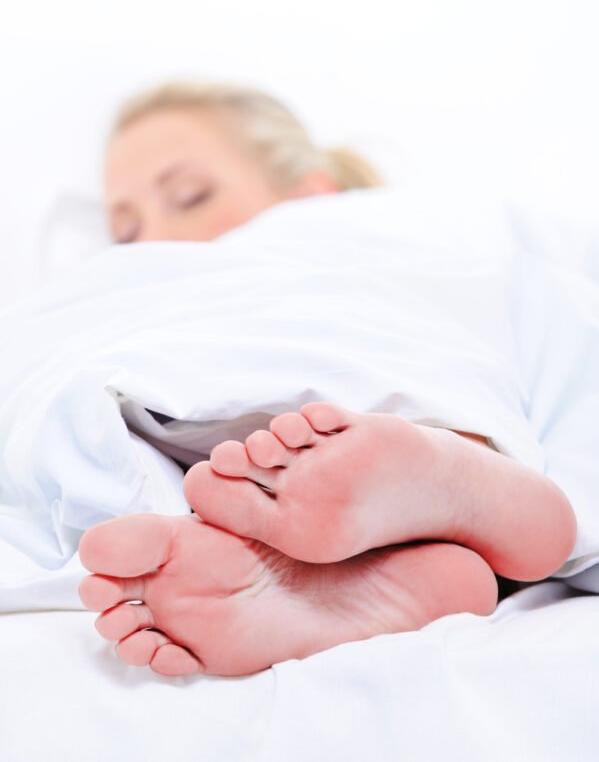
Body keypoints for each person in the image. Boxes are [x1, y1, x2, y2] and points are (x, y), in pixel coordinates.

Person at [78, 81, 577, 678]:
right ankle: (397, 532)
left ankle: (449, 470)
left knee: (326, 352)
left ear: (312, 189)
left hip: (322, 327)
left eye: (190, 196)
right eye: (126, 234)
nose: (155, 242)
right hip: (222, 396)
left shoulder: (358, 225)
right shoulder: (118, 298)